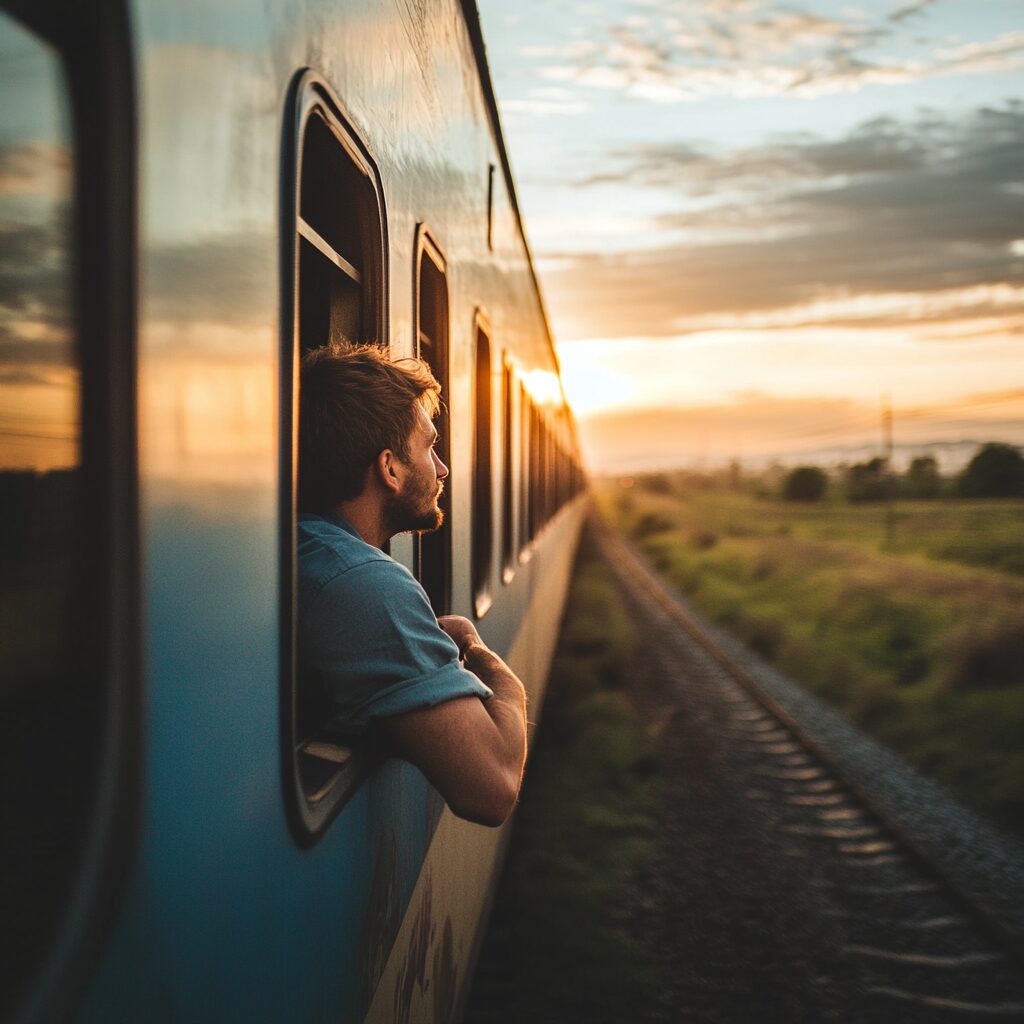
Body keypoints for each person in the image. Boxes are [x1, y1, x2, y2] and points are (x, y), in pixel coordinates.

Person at [297, 341, 528, 827]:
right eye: (429, 448)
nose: (442, 468)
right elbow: (494, 788)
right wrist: (482, 655)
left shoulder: (303, 546)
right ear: (390, 469)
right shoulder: (363, 585)